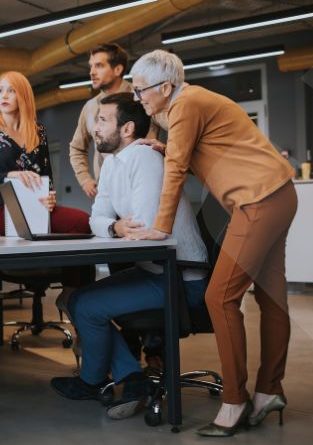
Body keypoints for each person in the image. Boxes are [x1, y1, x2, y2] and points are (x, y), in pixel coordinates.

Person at [125, 50, 297, 437]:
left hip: (257, 202)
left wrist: (159, 226)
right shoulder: (193, 101)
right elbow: (210, 148)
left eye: (141, 91)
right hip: (279, 195)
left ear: (165, 87)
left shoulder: (185, 104)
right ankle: (268, 390)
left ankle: (235, 400)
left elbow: (177, 170)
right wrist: (168, 146)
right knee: (271, 299)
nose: (139, 99)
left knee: (219, 297)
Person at [50, 93, 208, 420]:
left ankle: (97, 381)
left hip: (180, 277)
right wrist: (115, 228)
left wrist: (117, 228)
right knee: (76, 299)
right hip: (153, 270)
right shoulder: (113, 163)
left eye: (102, 120)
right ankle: (131, 378)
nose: (94, 127)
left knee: (87, 305)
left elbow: (147, 230)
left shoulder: (145, 159)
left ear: (127, 128)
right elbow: (97, 218)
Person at [0, 71, 94, 298]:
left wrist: (51, 196)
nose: (4, 96)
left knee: (85, 222)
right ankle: (71, 292)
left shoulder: (38, 131)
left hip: (38, 206)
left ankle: (72, 293)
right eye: (0, 90)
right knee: (80, 223)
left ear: (23, 96)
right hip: (4, 209)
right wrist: (12, 176)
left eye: (11, 90)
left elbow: (47, 176)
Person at [68, 43, 156, 200]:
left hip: (141, 186)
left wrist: (167, 150)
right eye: (91, 66)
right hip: (106, 191)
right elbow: (77, 148)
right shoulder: (90, 107)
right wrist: (85, 180)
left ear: (118, 69)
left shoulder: (142, 98)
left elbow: (174, 125)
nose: (92, 72)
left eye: (99, 66)